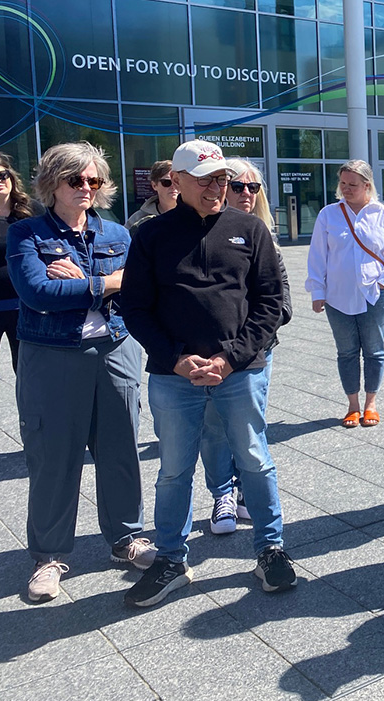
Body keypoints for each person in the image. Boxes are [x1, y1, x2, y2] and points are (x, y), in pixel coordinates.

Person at [119, 140, 296, 608]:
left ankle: (270, 549)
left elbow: (270, 303)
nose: (216, 188)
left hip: (239, 372)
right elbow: (134, 307)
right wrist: (174, 356)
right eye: (204, 180)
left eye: (221, 178)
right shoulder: (151, 236)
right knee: (174, 469)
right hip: (174, 375)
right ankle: (172, 560)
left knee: (255, 460)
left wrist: (231, 358)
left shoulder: (249, 229)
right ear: (175, 181)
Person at [6, 142, 155, 603]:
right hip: (53, 356)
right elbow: (37, 293)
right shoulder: (26, 235)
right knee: (54, 456)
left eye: (94, 180)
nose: (87, 188)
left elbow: (138, 288)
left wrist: (75, 281)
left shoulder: (118, 234)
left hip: (114, 349)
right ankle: (48, 556)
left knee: (120, 450)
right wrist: (103, 283)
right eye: (77, 180)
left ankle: (126, 538)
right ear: (52, 182)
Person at [201, 156, 293, 534]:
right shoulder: (204, 233)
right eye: (237, 186)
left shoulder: (262, 235)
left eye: (253, 188)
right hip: (210, 350)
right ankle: (222, 493)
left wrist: (257, 324)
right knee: (214, 427)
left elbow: (282, 299)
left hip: (254, 350)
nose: (246, 194)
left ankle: (245, 495)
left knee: (248, 427)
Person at [306, 160, 384, 428]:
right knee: (346, 352)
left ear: (367, 186)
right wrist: (317, 290)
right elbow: (317, 255)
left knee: (374, 350)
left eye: (352, 185)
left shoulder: (383, 215)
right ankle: (352, 405)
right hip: (337, 297)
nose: (346, 189)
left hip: (374, 294)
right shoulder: (329, 214)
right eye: (343, 184)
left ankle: (371, 403)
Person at [0, 151, 41, 465]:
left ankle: (38, 436)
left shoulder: (28, 212)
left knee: (30, 375)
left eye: (3, 174)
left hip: (24, 308)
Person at [124, 160, 178, 237]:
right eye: (167, 182)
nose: (173, 186)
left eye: (176, 181)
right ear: (154, 185)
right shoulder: (138, 220)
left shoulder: (194, 215)